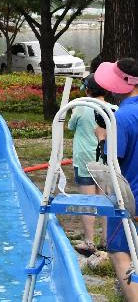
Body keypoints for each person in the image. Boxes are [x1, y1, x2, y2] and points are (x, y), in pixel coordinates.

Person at [94, 58, 138, 301]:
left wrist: (102, 138)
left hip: (130, 197)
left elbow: (113, 160)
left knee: (120, 251)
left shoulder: (122, 118)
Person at [68, 74, 109, 255]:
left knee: (88, 202)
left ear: (87, 90)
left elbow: (70, 126)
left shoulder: (80, 107)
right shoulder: (112, 108)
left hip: (85, 159)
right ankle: (107, 240)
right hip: (105, 160)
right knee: (105, 201)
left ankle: (89, 241)